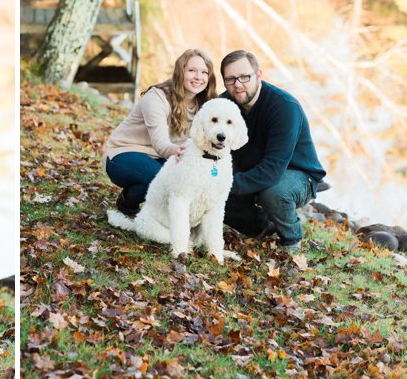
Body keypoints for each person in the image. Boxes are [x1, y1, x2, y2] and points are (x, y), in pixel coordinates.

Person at [219, 50, 326, 250]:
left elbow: (272, 170)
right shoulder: (223, 105)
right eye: (230, 79)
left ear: (259, 75)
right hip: (254, 168)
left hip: (296, 173)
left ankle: (291, 240)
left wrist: (223, 183)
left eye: (244, 77)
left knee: (274, 191)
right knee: (213, 190)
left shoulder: (284, 107)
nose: (238, 85)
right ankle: (264, 226)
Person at [104, 48, 217, 217]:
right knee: (162, 180)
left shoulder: (206, 104)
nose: (198, 77)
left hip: (163, 157)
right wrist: (177, 151)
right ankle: (128, 202)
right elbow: (160, 143)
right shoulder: (157, 97)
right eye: (192, 71)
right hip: (124, 153)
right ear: (180, 72)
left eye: (204, 72)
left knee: (184, 181)